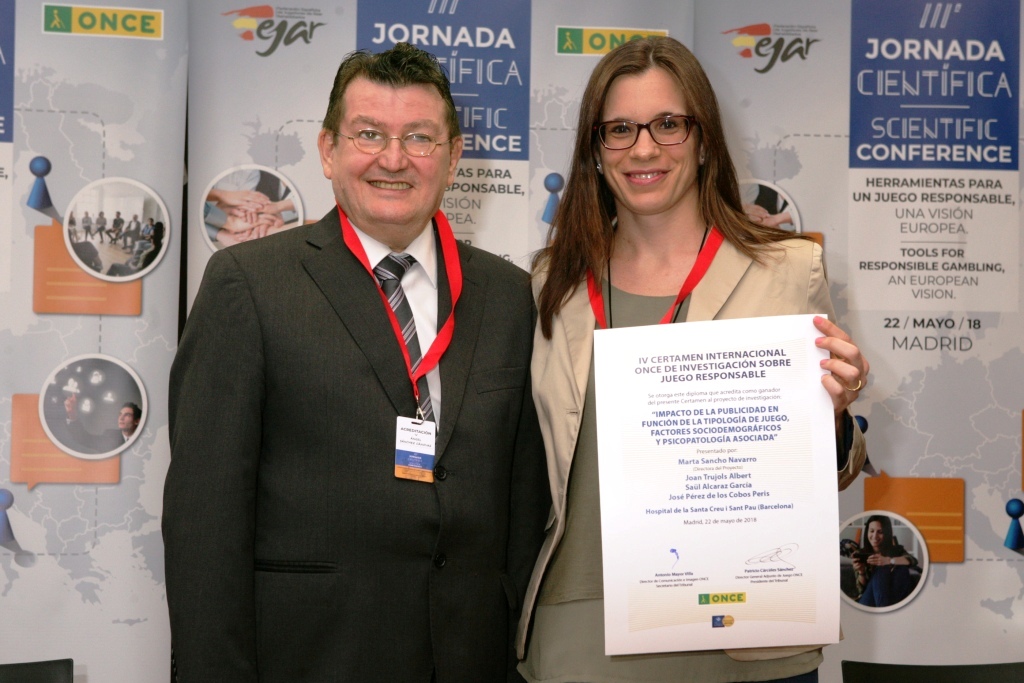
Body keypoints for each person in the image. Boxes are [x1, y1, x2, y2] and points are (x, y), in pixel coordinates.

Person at [162, 42, 549, 682]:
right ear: (328, 151)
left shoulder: (509, 298)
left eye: (419, 138)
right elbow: (206, 523)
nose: (392, 159)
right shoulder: (249, 284)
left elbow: (524, 507)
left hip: (468, 658)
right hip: (312, 656)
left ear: (453, 158)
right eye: (369, 134)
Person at [516, 37, 869, 683]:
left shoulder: (789, 271)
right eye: (619, 128)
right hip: (584, 629)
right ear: (595, 150)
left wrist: (839, 415)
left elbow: (833, 467)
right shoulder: (552, 283)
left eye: (668, 124)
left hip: (748, 626)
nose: (644, 148)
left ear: (704, 138)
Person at [852, 515, 918, 608]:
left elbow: (912, 560)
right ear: (867, 532)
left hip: (891, 596)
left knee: (901, 568)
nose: (875, 536)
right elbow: (861, 590)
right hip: (868, 601)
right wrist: (861, 572)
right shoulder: (860, 554)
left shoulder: (896, 550)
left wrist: (888, 560)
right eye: (871, 531)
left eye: (880, 532)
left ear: (886, 533)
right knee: (881, 569)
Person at [61, 395, 140, 454]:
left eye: (127, 415)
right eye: (120, 414)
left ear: (137, 421)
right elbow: (84, 438)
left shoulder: (143, 441)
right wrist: (72, 414)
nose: (121, 418)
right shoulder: (110, 436)